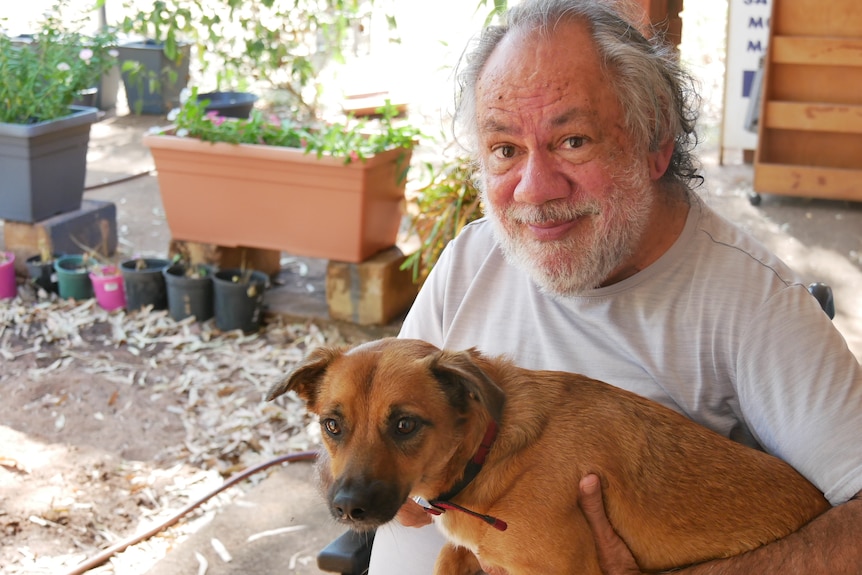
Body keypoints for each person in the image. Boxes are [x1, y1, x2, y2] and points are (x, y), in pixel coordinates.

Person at [367, 0, 862, 573]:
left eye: (572, 140)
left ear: (656, 143)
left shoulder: (753, 303)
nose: (534, 190)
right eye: (505, 149)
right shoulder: (475, 255)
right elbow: (358, 431)